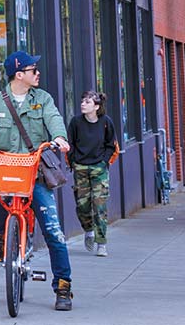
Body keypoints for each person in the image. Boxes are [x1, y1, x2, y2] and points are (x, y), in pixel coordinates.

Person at [0, 50, 74, 312]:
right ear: (19, 75)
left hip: (35, 171)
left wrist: (60, 138)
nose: (37, 73)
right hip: (5, 169)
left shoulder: (42, 99)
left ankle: (63, 286)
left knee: (53, 231)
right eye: (33, 70)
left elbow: (54, 120)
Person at [69, 89, 119, 256]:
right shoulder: (75, 122)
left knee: (100, 205)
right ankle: (88, 230)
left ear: (96, 106)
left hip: (99, 168)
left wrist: (104, 162)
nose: (83, 104)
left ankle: (101, 243)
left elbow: (111, 144)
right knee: (82, 205)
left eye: (87, 102)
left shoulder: (106, 122)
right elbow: (71, 144)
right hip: (80, 168)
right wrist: (74, 162)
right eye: (82, 101)